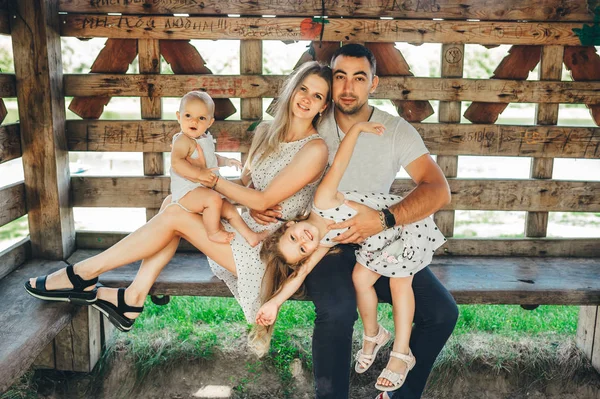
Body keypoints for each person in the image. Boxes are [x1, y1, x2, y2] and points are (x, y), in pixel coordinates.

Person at [24, 61, 331, 337]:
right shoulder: (266, 132)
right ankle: (132, 299)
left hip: (268, 251)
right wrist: (226, 190)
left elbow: (262, 200)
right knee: (174, 203)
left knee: (175, 215)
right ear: (292, 90)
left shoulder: (314, 149)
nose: (307, 98)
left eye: (317, 96)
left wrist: (212, 180)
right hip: (245, 230)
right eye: (303, 88)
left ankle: (83, 274)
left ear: (323, 106)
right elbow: (246, 188)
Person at [251, 44, 457, 399]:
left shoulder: (394, 130)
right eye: (340, 77)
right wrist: (257, 199)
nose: (347, 87)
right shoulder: (313, 118)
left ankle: (397, 395)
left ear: (373, 83)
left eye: (358, 78)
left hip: (380, 242)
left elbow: (439, 191)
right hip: (324, 245)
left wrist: (384, 219)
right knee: (338, 307)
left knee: (442, 312)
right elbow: (267, 152)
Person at [169, 90, 265, 246]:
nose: (194, 121)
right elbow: (177, 163)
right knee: (214, 199)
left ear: (210, 122)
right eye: (188, 116)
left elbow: (211, 158)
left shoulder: (204, 139)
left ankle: (250, 236)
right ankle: (213, 232)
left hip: (204, 190)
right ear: (178, 117)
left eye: (201, 118)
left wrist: (226, 161)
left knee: (229, 209)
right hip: (188, 192)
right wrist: (199, 174)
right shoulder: (182, 140)